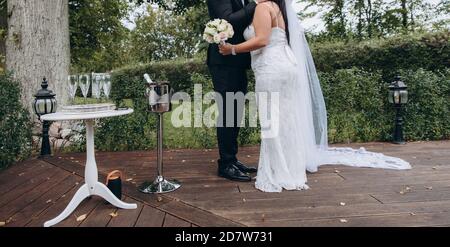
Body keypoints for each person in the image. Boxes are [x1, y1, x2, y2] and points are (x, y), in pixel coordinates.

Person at [219, 0, 411, 192]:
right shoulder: (277, 8)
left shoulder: (262, 7)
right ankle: (290, 169)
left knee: (273, 121)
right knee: (287, 120)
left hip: (271, 69)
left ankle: (278, 172)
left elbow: (262, 40)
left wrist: (232, 49)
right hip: (285, 65)